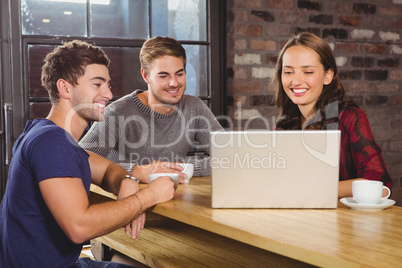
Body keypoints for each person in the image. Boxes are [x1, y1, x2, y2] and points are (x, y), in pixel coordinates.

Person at [0, 40, 175, 268]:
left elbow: (107, 170)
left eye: (108, 84)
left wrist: (128, 181)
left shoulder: (49, 136)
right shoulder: (50, 142)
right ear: (65, 88)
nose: (109, 94)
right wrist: (148, 197)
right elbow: (79, 228)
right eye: (97, 84)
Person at [79, 36, 224, 183]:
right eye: (163, 76)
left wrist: (183, 167)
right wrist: (137, 171)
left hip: (174, 197)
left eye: (179, 74)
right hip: (128, 199)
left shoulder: (194, 107)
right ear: (145, 76)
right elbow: (79, 160)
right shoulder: (118, 112)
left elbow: (230, 157)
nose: (174, 83)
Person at [273, 32, 393, 198]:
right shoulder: (286, 124)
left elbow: (381, 186)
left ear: (328, 75)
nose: (296, 81)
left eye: (308, 72)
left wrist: (313, 190)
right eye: (288, 72)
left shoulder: (351, 118)